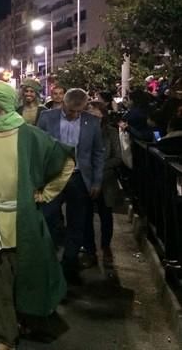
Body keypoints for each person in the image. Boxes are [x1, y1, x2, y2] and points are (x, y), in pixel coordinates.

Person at [0, 80, 74, 350]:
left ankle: (25, 322)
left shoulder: (30, 135)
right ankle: (5, 336)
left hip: (22, 221)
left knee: (26, 276)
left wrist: (45, 194)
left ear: (3, 102)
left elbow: (65, 161)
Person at [37, 88, 105, 283]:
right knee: (48, 217)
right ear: (63, 103)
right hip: (53, 177)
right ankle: (47, 262)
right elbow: (38, 146)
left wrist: (96, 181)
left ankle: (69, 263)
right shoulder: (47, 118)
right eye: (70, 110)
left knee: (78, 222)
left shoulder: (91, 122)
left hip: (79, 178)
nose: (74, 114)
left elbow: (98, 153)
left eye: (78, 111)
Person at [82, 101, 123, 268]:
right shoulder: (81, 132)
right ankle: (90, 251)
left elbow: (117, 157)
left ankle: (106, 248)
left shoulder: (111, 132)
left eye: (97, 115)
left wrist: (98, 168)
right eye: (90, 114)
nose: (94, 118)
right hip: (86, 180)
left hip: (106, 181)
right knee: (86, 217)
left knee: (106, 216)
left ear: (103, 116)